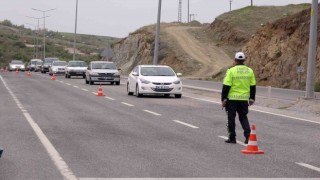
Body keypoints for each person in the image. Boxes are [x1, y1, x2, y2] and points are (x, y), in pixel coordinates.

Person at [221, 52, 256, 144]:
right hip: (243, 99)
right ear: (244, 60)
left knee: (231, 118)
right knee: (243, 117)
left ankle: (232, 137)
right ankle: (248, 136)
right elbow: (253, 86)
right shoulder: (250, 71)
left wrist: (224, 99)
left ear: (235, 60)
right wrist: (252, 98)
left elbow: (226, 86)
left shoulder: (231, 71)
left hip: (232, 99)